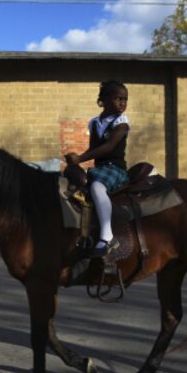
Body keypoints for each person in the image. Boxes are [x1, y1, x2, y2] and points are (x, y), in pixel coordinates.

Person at [64, 80, 130, 259]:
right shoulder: (95, 123)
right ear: (104, 100)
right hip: (99, 168)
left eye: (125, 99)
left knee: (96, 187)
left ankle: (107, 236)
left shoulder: (122, 122)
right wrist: (76, 160)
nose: (123, 103)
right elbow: (93, 150)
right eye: (118, 98)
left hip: (115, 169)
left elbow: (108, 147)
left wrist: (79, 158)